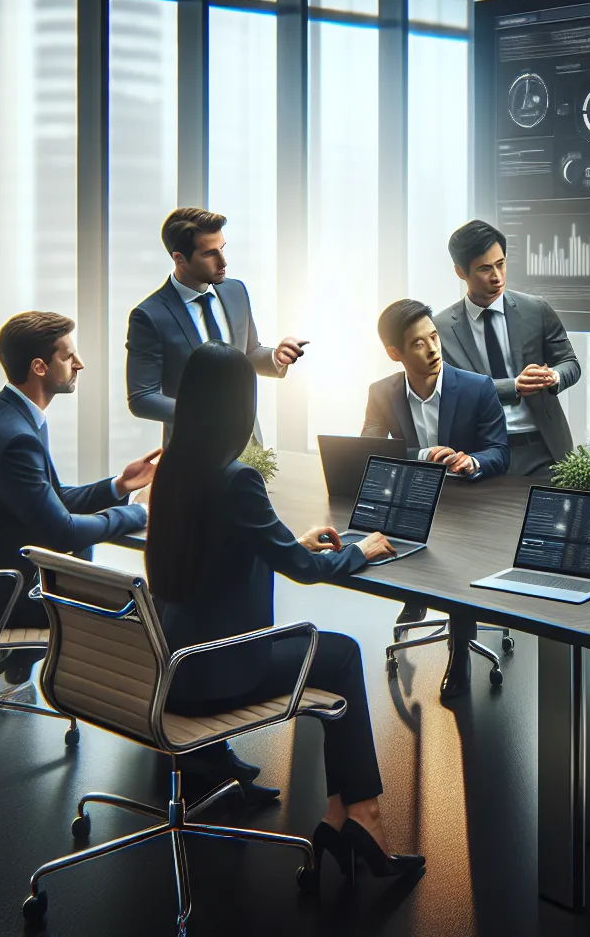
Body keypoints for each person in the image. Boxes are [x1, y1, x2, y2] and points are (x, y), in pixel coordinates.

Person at [145, 342, 423, 880]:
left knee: (331, 650)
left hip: (170, 667)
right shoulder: (236, 478)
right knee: (341, 655)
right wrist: (355, 552)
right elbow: (303, 570)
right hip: (215, 674)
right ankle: (360, 814)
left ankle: (343, 814)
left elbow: (223, 550)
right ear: (238, 405)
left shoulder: (175, 469)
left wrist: (291, 541)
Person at [0, 312, 156, 685]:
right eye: (68, 356)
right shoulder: (15, 438)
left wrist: (119, 486)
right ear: (40, 367)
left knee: (86, 568)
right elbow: (62, 531)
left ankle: (26, 656)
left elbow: (53, 498)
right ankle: (136, 707)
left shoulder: (2, 414)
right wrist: (138, 514)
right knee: (132, 606)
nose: (79, 364)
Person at [361, 298, 509, 699]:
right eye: (418, 344)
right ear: (395, 353)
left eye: (434, 337)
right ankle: (418, 595)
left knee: (457, 569)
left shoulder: (476, 388)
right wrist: (422, 456)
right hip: (415, 504)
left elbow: (500, 450)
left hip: (468, 507)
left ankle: (459, 650)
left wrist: (472, 461)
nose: (432, 350)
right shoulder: (383, 392)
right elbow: (368, 454)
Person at [127, 207, 308, 445]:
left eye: (222, 249)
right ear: (179, 258)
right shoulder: (150, 315)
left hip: (249, 444)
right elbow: (142, 398)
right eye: (209, 254)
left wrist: (276, 357)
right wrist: (202, 414)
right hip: (192, 452)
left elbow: (248, 354)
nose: (223, 262)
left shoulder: (236, 291)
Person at [431, 219, 581, 478]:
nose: (497, 277)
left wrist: (553, 376)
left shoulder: (536, 310)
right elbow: (450, 390)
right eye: (484, 268)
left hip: (544, 448)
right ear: (460, 272)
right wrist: (514, 386)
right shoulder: (441, 329)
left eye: (501, 264)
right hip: (479, 453)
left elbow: (570, 364)